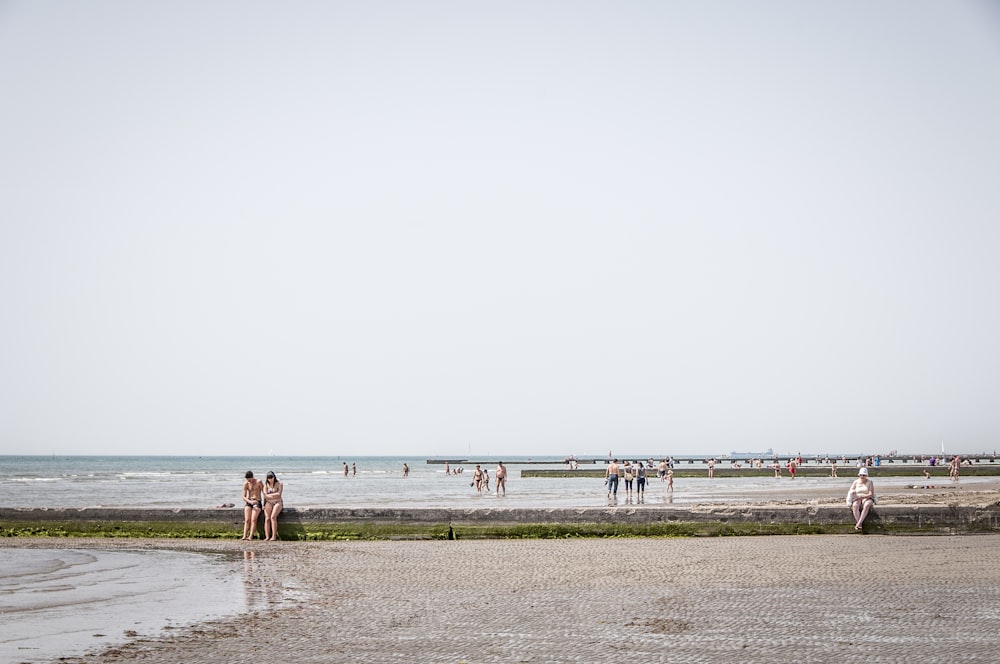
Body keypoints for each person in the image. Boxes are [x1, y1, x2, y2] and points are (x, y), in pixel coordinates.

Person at [241, 471, 263, 541]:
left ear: (252, 477)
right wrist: (250, 501)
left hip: (257, 501)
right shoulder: (246, 484)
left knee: (253, 519)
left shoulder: (258, 482)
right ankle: (244, 535)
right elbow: (243, 496)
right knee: (247, 520)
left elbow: (264, 492)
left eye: (249, 479)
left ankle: (251, 536)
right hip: (249, 501)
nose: (249, 481)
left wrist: (265, 503)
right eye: (247, 479)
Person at [262, 471, 283, 541]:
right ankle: (267, 536)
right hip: (268, 502)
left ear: (274, 477)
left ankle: (274, 536)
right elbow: (265, 496)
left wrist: (269, 495)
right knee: (267, 518)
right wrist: (264, 504)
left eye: (271, 478)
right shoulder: (265, 485)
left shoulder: (279, 484)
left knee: (273, 517)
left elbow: (279, 494)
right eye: (269, 478)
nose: (270, 479)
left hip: (278, 502)